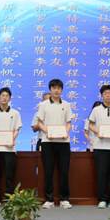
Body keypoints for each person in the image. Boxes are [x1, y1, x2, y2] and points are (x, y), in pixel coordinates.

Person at [37, 79, 75, 209]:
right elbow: (39, 122)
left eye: (59, 88)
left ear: (62, 90)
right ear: (50, 89)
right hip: (47, 142)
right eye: (54, 88)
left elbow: (69, 123)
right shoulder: (43, 105)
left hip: (63, 142)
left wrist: (65, 132)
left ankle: (64, 199)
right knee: (48, 171)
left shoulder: (67, 104)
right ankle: (49, 199)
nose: (56, 90)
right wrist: (47, 131)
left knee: (64, 171)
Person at [0, 87, 22, 208]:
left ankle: (9, 200)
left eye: (7, 96)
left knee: (9, 175)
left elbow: (17, 129)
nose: (4, 98)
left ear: (10, 98)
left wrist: (12, 139)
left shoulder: (15, 113)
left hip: (10, 149)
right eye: (2, 95)